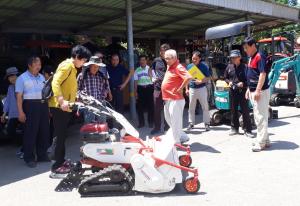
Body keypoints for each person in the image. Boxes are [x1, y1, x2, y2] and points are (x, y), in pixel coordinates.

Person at [49, 45, 91, 178]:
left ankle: (61, 161)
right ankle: (56, 167)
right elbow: (55, 82)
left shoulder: (73, 68)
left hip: (66, 106)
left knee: (62, 134)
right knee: (59, 135)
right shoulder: (67, 66)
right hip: (58, 106)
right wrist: (61, 101)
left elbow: (68, 86)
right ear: (78, 57)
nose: (83, 63)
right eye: (83, 60)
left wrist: (77, 99)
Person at [15, 56, 50, 168]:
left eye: (40, 65)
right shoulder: (22, 78)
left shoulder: (42, 77)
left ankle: (42, 155)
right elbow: (19, 96)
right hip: (29, 106)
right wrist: (20, 112)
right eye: (36, 65)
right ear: (30, 65)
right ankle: (29, 157)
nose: (39, 67)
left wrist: (48, 109)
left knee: (43, 131)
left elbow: (46, 94)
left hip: (43, 105)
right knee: (30, 132)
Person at [243, 37, 270, 152]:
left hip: (261, 91)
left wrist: (258, 90)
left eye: (246, 47)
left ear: (253, 45)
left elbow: (262, 74)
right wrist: (249, 89)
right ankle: (266, 140)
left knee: (260, 117)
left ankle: (261, 142)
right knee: (260, 116)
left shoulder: (260, 56)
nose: (245, 50)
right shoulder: (251, 57)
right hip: (254, 90)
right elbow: (251, 74)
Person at [162, 49, 192, 143]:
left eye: (168, 59)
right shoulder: (169, 66)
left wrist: (181, 88)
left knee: (175, 122)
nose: (166, 60)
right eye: (165, 58)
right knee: (169, 119)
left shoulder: (178, 67)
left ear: (174, 58)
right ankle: (182, 136)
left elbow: (189, 77)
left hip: (176, 99)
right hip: (168, 98)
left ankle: (176, 143)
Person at [224, 50, 254, 137]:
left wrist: (243, 84)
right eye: (232, 58)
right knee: (233, 111)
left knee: (245, 111)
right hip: (232, 91)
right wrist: (228, 82)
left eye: (234, 57)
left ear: (239, 57)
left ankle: (247, 130)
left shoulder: (245, 67)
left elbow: (250, 79)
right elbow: (225, 77)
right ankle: (234, 128)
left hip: (242, 92)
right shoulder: (229, 67)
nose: (233, 59)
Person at [77, 56, 112, 123]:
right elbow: (77, 89)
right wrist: (81, 98)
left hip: (101, 103)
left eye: (97, 66)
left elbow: (106, 87)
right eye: (93, 66)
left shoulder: (101, 76)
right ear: (89, 66)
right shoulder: (82, 76)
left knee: (102, 123)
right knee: (89, 124)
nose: (95, 68)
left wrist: (105, 93)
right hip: (88, 104)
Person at [186, 51, 211, 131]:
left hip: (201, 88)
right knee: (191, 107)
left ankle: (207, 123)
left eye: (195, 59)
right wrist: (186, 89)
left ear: (199, 59)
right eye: (193, 59)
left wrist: (201, 81)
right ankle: (191, 123)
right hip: (192, 88)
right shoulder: (189, 66)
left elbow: (209, 78)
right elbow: (186, 79)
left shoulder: (204, 66)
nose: (193, 60)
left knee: (205, 106)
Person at [149, 44, 170, 134]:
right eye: (161, 51)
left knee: (167, 109)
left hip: (168, 88)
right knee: (157, 109)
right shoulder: (156, 60)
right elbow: (150, 70)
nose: (162, 53)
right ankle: (157, 127)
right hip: (157, 88)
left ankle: (167, 127)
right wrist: (152, 78)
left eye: (164, 51)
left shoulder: (171, 61)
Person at [134, 55, 154, 128]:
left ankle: (151, 122)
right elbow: (135, 81)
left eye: (143, 60)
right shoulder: (137, 70)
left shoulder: (150, 69)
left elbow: (154, 80)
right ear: (139, 61)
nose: (142, 61)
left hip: (149, 88)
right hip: (140, 89)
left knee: (150, 106)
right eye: (141, 60)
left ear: (146, 61)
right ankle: (141, 123)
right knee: (140, 107)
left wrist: (155, 90)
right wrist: (135, 92)